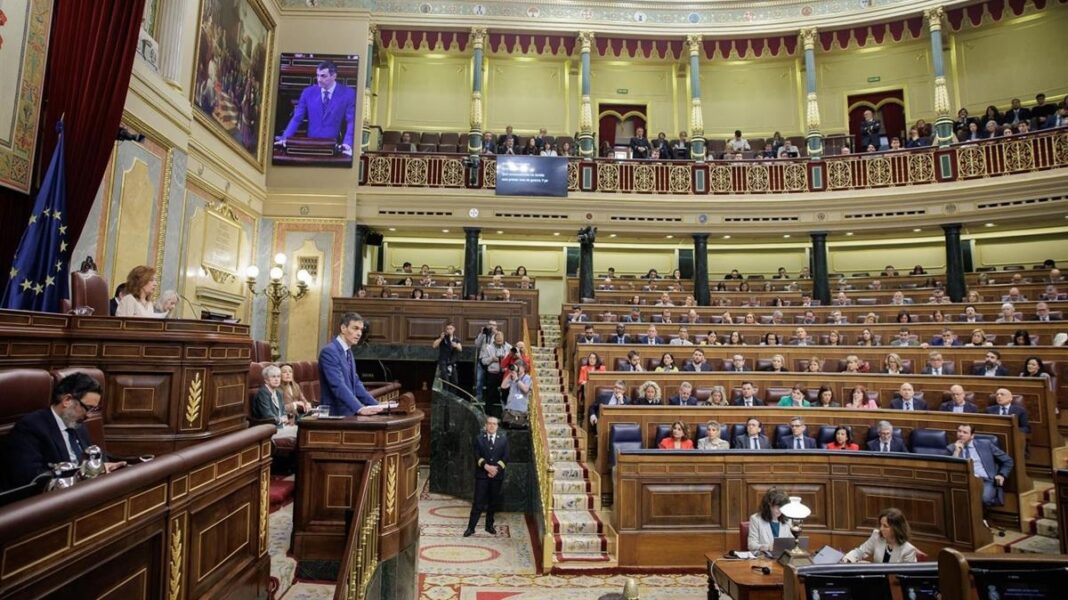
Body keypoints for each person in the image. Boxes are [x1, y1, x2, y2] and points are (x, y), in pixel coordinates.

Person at [2, 372, 126, 489]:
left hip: (85, 491)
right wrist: (85, 473)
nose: (89, 415)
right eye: (88, 408)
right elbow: (32, 477)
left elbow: (91, 455)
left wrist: (104, 466)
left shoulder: (77, 424)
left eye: (93, 410)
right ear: (67, 400)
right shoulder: (31, 426)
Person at [276, 60, 356, 156]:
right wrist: (285, 138)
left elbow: (351, 121)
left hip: (333, 146)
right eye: (317, 75)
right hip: (311, 144)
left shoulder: (348, 94)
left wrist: (347, 143)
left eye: (323, 76)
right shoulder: (308, 93)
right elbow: (297, 118)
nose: (319, 79)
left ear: (334, 76)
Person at [318, 312, 386, 416]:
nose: (359, 333)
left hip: (349, 413)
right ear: (343, 328)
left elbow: (356, 384)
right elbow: (338, 385)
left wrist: (377, 405)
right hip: (334, 415)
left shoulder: (348, 351)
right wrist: (359, 408)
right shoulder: (329, 351)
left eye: (361, 330)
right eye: (355, 328)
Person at [949, 423, 1013, 507]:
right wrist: (957, 451)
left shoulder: (985, 444)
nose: (961, 434)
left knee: (984, 499)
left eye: (965, 432)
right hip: (965, 481)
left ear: (972, 435)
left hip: (986, 480)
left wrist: (1002, 475)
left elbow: (1008, 460)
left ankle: (981, 518)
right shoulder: (951, 448)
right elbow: (952, 468)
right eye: (959, 431)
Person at [464, 417, 508, 536]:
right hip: (482, 475)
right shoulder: (479, 439)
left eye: (494, 424)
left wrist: (495, 469)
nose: (492, 426)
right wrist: (486, 467)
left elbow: (505, 458)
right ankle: (471, 527)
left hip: (497, 476)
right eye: (489, 423)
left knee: (493, 502)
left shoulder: (503, 440)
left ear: (497, 426)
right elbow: (477, 455)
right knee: (478, 502)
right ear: (486, 425)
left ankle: (489, 526)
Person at [843, 508, 918, 563]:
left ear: (896, 528)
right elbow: (860, 552)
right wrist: (847, 559)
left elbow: (904, 575)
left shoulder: (908, 550)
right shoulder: (877, 536)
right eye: (881, 525)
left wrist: (871, 566)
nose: (881, 528)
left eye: (885, 526)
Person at [254, 364, 297, 439]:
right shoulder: (263, 393)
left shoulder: (279, 392)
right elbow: (267, 415)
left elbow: (283, 411)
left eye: (278, 376)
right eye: (273, 377)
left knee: (301, 431)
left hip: (281, 427)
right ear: (266, 380)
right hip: (268, 429)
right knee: (300, 433)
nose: (277, 379)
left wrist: (285, 418)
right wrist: (281, 419)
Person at [747, 488, 793, 553]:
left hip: (783, 557)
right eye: (777, 507)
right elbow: (751, 545)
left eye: (782, 507)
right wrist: (767, 547)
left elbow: (791, 542)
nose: (780, 510)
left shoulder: (787, 520)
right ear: (769, 504)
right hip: (764, 559)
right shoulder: (755, 519)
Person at [480, 331, 512, 416]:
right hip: (493, 373)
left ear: (503, 338)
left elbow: (513, 360)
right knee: (490, 394)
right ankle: (488, 414)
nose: (499, 341)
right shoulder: (488, 348)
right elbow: (483, 361)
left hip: (505, 374)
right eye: (497, 340)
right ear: (494, 339)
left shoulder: (509, 347)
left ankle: (506, 414)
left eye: (501, 340)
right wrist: (492, 359)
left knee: (506, 393)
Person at [500, 360, 531, 426]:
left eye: (519, 366)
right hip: (510, 409)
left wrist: (517, 379)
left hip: (520, 411)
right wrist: (509, 374)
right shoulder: (512, 378)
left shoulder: (527, 378)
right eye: (516, 366)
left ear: (524, 368)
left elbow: (525, 390)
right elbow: (503, 386)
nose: (517, 368)